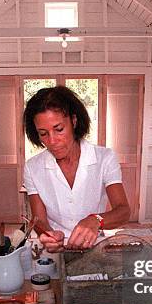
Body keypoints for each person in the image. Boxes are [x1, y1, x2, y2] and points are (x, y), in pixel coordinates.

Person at [22, 86, 130, 252]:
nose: (52, 141)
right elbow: (39, 219)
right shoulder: (32, 167)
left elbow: (123, 211)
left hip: (95, 245)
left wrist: (96, 220)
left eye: (59, 129)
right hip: (57, 248)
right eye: (43, 133)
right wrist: (48, 235)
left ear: (74, 121)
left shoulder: (104, 158)